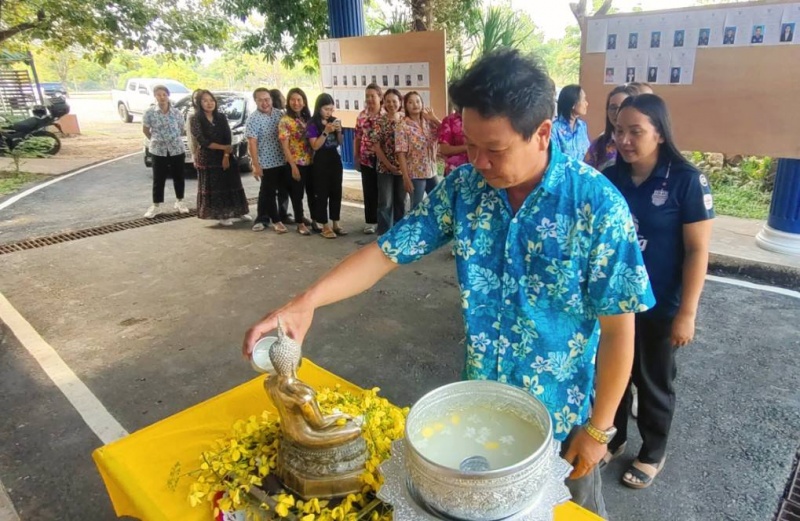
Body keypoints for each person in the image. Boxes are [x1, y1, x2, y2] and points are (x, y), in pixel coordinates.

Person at [243, 49, 655, 517]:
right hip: (478, 410)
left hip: (561, 422)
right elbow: (386, 252)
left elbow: (619, 329)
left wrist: (599, 430)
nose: (477, 161)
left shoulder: (597, 205)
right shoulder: (466, 190)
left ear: (542, 133)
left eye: (494, 149)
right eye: (470, 144)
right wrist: (307, 301)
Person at [602, 94, 714, 490]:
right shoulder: (610, 177)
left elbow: (697, 250)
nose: (624, 140)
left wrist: (687, 313)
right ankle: (612, 437)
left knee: (652, 381)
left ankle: (652, 452)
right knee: (612, 373)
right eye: (619, 130)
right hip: (614, 303)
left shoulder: (687, 181)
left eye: (636, 131)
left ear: (660, 133)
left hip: (660, 304)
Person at [190, 90, 252, 226]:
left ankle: (239, 211)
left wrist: (226, 155)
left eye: (211, 100)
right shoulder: (195, 119)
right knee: (216, 187)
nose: (209, 103)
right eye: (205, 101)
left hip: (226, 154)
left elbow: (227, 136)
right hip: (208, 157)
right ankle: (221, 215)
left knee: (233, 183)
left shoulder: (221, 117)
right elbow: (202, 140)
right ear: (199, 103)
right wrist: (223, 148)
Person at [246, 87, 289, 234]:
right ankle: (275, 220)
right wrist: (256, 164)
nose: (265, 103)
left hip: (282, 160)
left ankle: (283, 215)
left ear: (271, 99)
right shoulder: (253, 119)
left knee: (283, 190)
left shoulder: (280, 114)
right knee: (268, 192)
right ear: (255, 101)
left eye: (267, 99)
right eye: (261, 100)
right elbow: (252, 143)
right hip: (266, 162)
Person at [142, 85, 189, 218]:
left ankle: (180, 201)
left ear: (168, 96)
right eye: (159, 95)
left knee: (178, 176)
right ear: (155, 96)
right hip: (158, 150)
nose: (162, 97)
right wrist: (156, 140)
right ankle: (156, 205)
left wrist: (172, 138)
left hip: (176, 148)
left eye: (164, 95)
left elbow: (181, 128)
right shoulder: (150, 112)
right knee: (158, 178)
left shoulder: (177, 113)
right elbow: (145, 130)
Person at [307, 93, 346, 239]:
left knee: (336, 191)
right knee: (322, 193)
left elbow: (340, 142)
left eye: (331, 109)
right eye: (326, 109)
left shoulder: (334, 121)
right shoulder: (312, 124)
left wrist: (339, 131)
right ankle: (324, 225)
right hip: (320, 161)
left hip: (334, 159)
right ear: (319, 108)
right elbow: (315, 146)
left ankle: (336, 222)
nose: (329, 112)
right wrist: (325, 132)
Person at [370, 88, 406, 235]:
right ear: (384, 102)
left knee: (401, 201)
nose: (391, 104)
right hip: (385, 168)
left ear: (400, 102)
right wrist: (389, 166)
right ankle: (384, 235)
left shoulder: (405, 119)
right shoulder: (380, 121)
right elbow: (376, 146)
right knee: (385, 202)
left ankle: (399, 233)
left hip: (403, 168)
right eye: (388, 101)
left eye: (394, 101)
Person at [396, 91, 441, 209]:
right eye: (410, 102)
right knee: (416, 207)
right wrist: (406, 178)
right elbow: (401, 153)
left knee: (439, 201)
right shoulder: (402, 125)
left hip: (431, 171)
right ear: (406, 106)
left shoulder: (428, 122)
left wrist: (434, 118)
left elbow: (446, 131)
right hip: (415, 173)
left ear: (422, 103)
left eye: (417, 101)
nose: (415, 105)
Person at [279, 88, 314, 235]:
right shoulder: (285, 121)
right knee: (297, 195)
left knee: (312, 193)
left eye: (299, 100)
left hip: (310, 162)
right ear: (288, 102)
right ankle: (300, 223)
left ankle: (314, 219)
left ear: (304, 102)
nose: (296, 103)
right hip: (296, 163)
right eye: (293, 100)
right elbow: (285, 147)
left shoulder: (308, 118)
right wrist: (293, 166)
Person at [584, 84, 637, 171]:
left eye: (622, 107)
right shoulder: (598, 145)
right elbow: (585, 174)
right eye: (613, 108)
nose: (617, 112)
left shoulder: (641, 143)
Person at [354, 84, 384, 234]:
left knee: (383, 190)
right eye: (367, 96)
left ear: (380, 97)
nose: (370, 99)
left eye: (373, 96)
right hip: (366, 158)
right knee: (369, 190)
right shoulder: (361, 116)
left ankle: (384, 221)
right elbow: (357, 137)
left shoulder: (386, 115)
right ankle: (371, 221)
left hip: (384, 159)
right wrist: (356, 156)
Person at [551, 84, 591, 160]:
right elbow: (555, 158)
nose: (586, 103)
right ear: (573, 104)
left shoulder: (582, 126)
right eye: (583, 100)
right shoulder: (554, 129)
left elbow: (588, 153)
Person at [438, 103, 468, 177]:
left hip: (479, 169)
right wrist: (468, 147)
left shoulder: (481, 119)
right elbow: (444, 149)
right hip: (456, 170)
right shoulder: (449, 120)